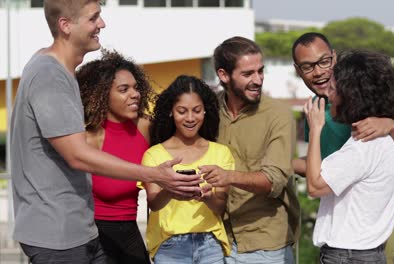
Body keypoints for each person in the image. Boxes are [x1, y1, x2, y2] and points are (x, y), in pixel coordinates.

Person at [10, 1, 201, 263]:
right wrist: (154, 175)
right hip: (57, 236)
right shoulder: (49, 75)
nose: (102, 24)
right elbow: (78, 155)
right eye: (93, 18)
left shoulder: (57, 71)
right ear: (65, 26)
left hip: (79, 231)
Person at [291, 32, 394, 263]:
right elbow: (323, 163)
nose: (319, 71)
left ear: (334, 57)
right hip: (355, 222)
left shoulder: (369, 108)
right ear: (297, 70)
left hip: (373, 226)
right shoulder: (316, 110)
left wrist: (390, 123)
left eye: (323, 62)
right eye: (308, 66)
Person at [199, 36, 300, 264]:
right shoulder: (207, 110)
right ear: (224, 75)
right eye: (248, 74)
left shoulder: (278, 115)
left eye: (261, 71)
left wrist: (228, 177)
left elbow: (274, 181)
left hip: (264, 244)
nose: (258, 80)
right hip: (215, 240)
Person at [142, 75, 234, 264]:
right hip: (169, 247)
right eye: (182, 111)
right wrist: (170, 189)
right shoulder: (154, 155)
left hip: (210, 245)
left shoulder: (221, 153)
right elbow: (154, 204)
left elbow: (220, 207)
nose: (190, 118)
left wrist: (208, 197)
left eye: (197, 111)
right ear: (171, 112)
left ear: (205, 112)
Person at [76, 50, 152, 264]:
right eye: (123, 89)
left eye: (136, 88)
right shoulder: (85, 138)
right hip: (93, 238)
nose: (135, 94)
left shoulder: (145, 127)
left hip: (131, 236)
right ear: (101, 94)